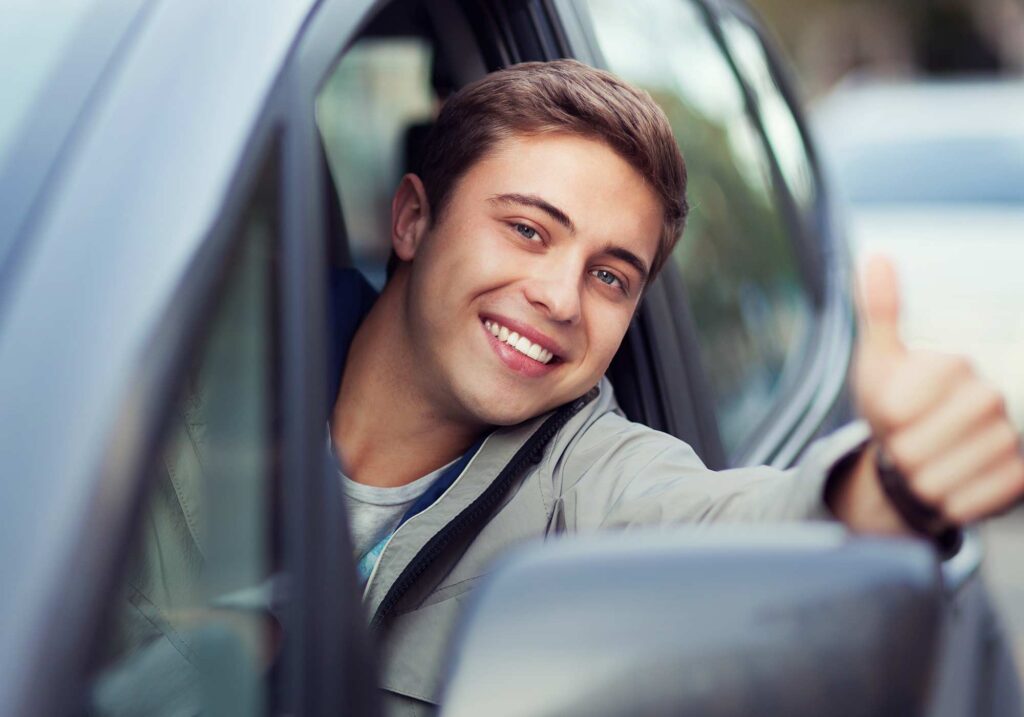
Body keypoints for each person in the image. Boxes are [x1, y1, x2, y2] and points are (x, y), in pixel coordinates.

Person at [326, 59, 1024, 714]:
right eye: (527, 230)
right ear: (413, 220)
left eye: (610, 276)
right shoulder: (235, 349)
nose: (561, 298)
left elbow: (736, 523)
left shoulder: (588, 469)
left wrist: (888, 484)